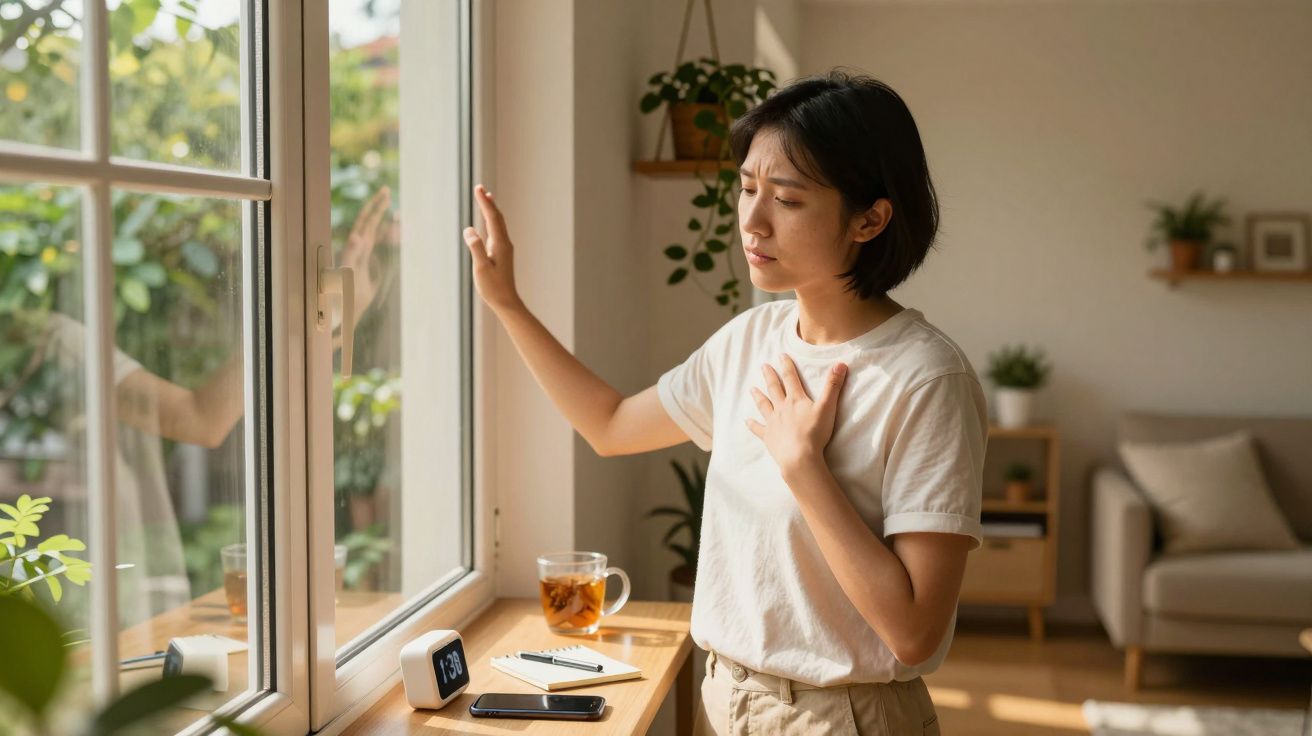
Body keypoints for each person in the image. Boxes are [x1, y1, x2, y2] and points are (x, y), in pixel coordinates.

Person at [462, 69, 984, 735]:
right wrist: (509, 306)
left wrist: (803, 468)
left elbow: (913, 632)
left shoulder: (925, 378)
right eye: (745, 188)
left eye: (788, 201)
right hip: (723, 701)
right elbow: (611, 426)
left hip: (843, 718)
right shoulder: (750, 339)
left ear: (870, 218)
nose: (752, 221)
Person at [4, 186, 393, 627]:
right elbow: (202, 419)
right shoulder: (55, 339)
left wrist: (331, 316)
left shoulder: (56, 339)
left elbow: (202, 418)